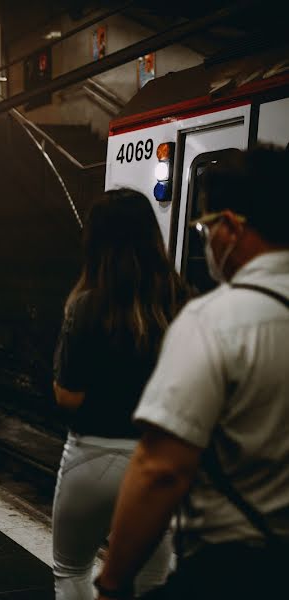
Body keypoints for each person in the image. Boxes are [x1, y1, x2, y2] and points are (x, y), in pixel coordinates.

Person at [96, 147, 289, 600]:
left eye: (205, 228)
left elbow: (162, 468)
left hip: (236, 570)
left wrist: (112, 582)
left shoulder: (215, 319)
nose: (206, 240)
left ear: (232, 227)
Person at [51, 189, 183, 599]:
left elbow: (68, 397)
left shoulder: (86, 305)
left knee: (71, 570)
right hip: (156, 462)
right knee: (153, 580)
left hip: (90, 457)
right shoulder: (181, 300)